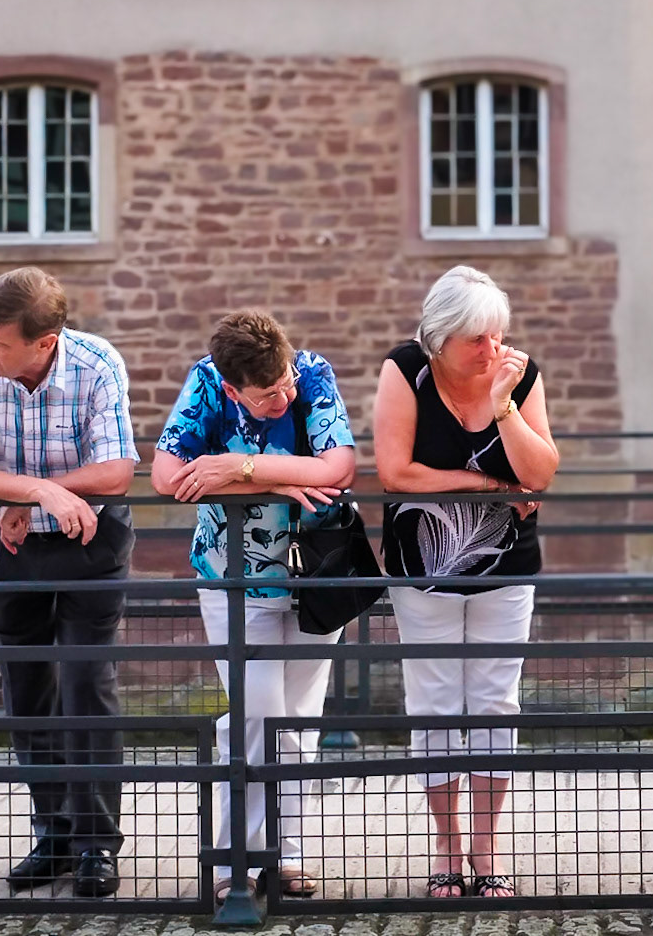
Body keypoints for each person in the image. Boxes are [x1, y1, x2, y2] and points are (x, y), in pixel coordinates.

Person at [0, 267, 138, 897]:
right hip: (9, 543)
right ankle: (52, 836)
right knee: (26, 693)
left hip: (89, 543)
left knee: (85, 684)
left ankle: (95, 846)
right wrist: (32, 491)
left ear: (44, 341)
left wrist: (47, 493)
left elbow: (117, 471)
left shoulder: (98, 363)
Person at [151, 310, 358, 900]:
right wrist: (282, 478)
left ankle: (286, 857)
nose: (284, 396)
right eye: (268, 394)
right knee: (257, 715)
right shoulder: (207, 383)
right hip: (233, 579)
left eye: (286, 381)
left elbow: (338, 468)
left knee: (298, 722)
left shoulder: (313, 374)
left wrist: (240, 467)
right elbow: (168, 476)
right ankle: (232, 863)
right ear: (233, 386)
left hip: (314, 577)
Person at [372, 265, 559, 899]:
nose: (491, 350)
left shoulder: (518, 373)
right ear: (438, 340)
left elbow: (539, 475)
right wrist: (488, 487)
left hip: (506, 567)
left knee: (495, 700)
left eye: (497, 335)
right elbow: (396, 472)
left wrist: (505, 406)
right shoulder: (405, 370)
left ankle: (485, 852)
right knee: (433, 700)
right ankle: (447, 851)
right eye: (476, 340)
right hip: (421, 568)